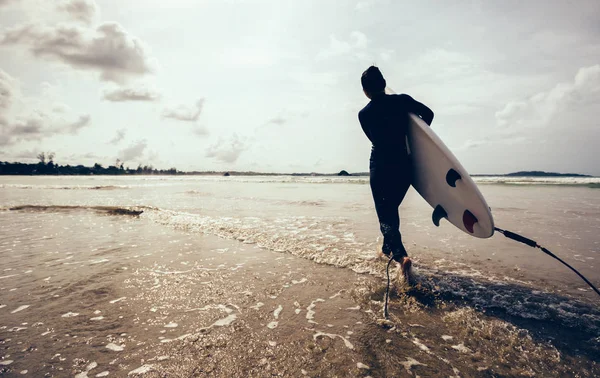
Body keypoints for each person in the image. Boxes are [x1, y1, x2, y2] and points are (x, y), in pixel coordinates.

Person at [358, 66, 434, 281]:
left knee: (385, 213)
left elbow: (373, 138)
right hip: (404, 165)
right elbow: (428, 114)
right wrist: (415, 139)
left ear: (365, 91)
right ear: (384, 83)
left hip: (380, 165)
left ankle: (401, 258)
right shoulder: (402, 100)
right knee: (391, 210)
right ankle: (386, 249)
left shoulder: (364, 114)